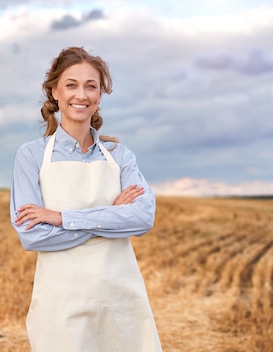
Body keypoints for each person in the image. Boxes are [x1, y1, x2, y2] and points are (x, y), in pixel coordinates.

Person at [10, 46, 162, 352]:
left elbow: (143, 217)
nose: (82, 95)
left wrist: (63, 217)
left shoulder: (120, 155)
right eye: (71, 85)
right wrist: (111, 217)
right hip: (61, 303)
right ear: (54, 92)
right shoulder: (30, 156)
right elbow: (33, 234)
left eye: (91, 86)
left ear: (100, 95)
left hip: (121, 298)